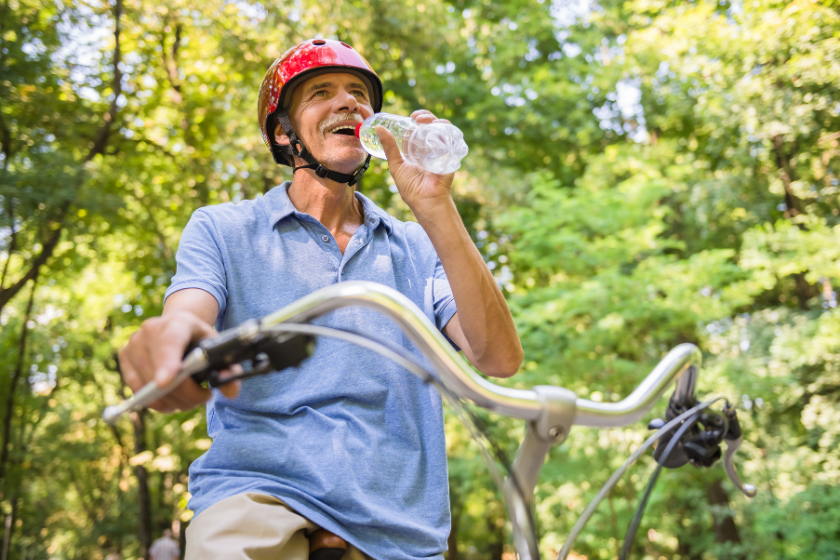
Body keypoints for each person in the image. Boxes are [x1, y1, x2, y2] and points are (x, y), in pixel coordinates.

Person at [118, 38, 523, 560]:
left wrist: (435, 206)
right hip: (259, 494)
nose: (349, 102)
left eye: (359, 93)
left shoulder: (418, 243)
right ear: (285, 133)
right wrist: (174, 342)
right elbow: (188, 317)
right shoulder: (224, 228)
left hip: (397, 518)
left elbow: (500, 358)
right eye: (321, 93)